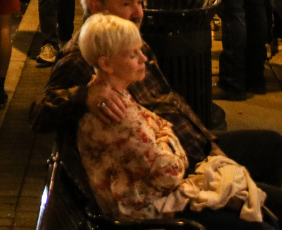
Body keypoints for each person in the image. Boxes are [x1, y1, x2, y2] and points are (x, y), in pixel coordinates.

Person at [30, 0, 282, 230]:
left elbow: (166, 102)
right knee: (277, 212)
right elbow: (39, 111)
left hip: (190, 151)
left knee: (274, 153)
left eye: (139, 2)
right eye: (126, 4)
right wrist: (84, 95)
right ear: (97, 6)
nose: (138, 13)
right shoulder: (84, 56)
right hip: (170, 175)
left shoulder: (128, 41)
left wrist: (208, 141)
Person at [76, 13, 270, 226]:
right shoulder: (116, 112)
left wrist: (165, 138)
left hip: (157, 199)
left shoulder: (115, 93)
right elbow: (171, 172)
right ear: (107, 64)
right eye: (133, 55)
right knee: (264, 219)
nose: (144, 59)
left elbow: (163, 127)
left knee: (269, 200)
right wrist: (168, 140)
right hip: (152, 217)